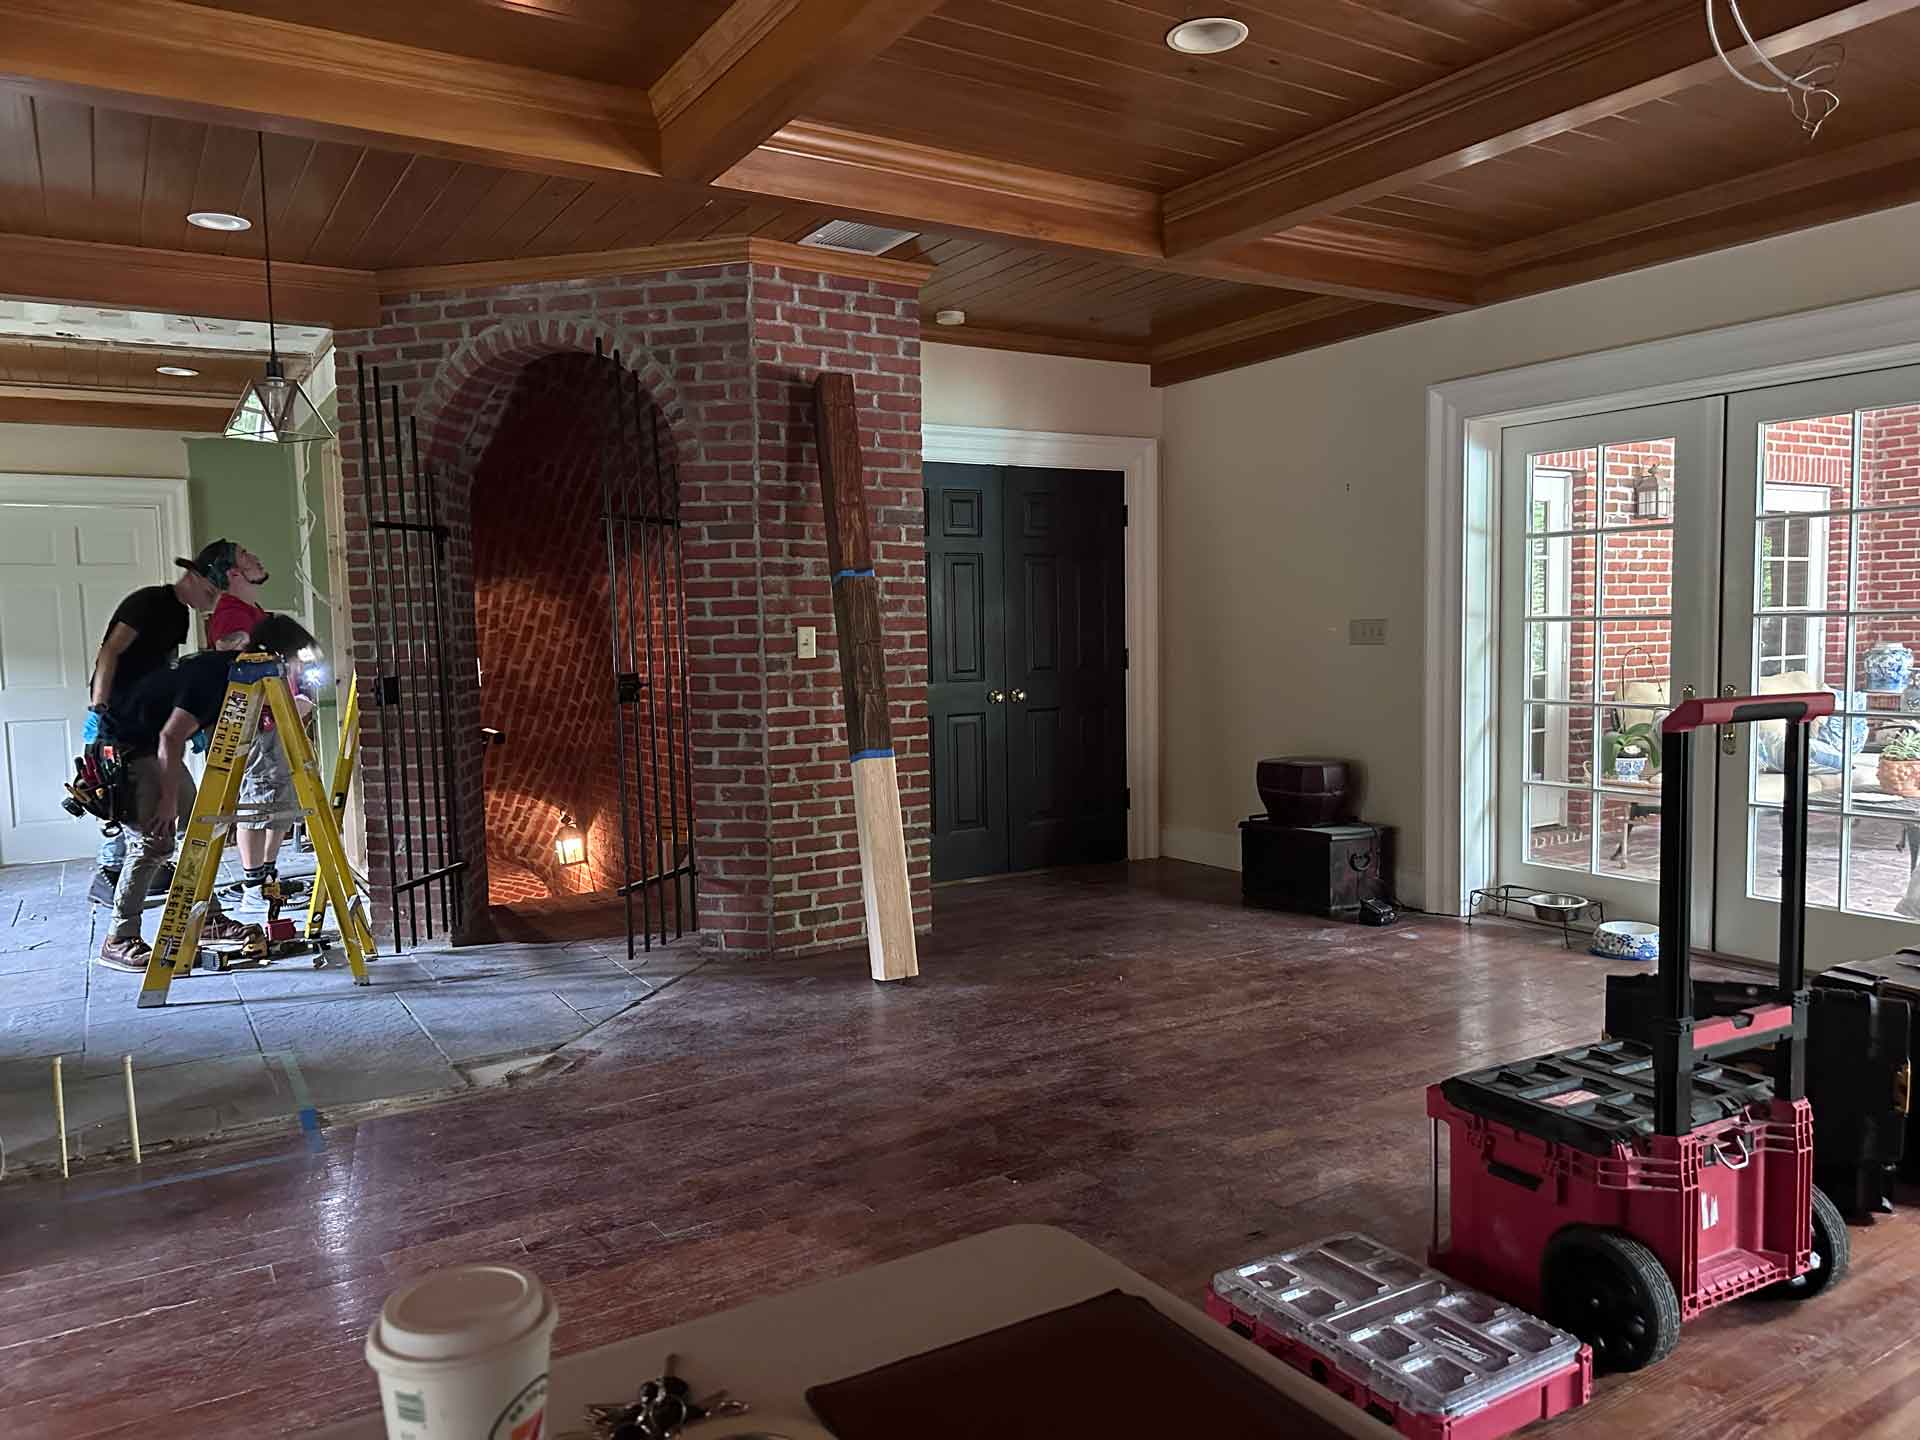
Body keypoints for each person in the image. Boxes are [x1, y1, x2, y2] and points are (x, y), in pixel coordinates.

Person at [97, 614, 319, 973]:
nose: (293, 671)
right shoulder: (217, 677)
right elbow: (171, 736)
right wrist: (167, 801)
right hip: (130, 748)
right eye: (292, 662)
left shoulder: (233, 674)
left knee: (195, 832)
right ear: (274, 657)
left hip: (152, 746)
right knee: (155, 841)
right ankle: (119, 938)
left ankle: (208, 920)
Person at [84, 541, 236, 906]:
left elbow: (162, 672)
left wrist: (185, 721)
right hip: (121, 724)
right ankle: (117, 903)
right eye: (210, 591)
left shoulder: (180, 615)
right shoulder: (149, 602)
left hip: (148, 723)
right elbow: (110, 651)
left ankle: (206, 915)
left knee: (185, 816)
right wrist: (98, 708)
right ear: (193, 576)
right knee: (148, 822)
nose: (213, 602)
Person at [205, 549, 315, 919]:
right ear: (234, 571)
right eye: (247, 556)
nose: (257, 558)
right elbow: (239, 667)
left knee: (278, 804)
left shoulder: (256, 614)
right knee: (257, 803)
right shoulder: (232, 615)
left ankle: (267, 878)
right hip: (259, 725)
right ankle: (254, 887)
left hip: (278, 718)